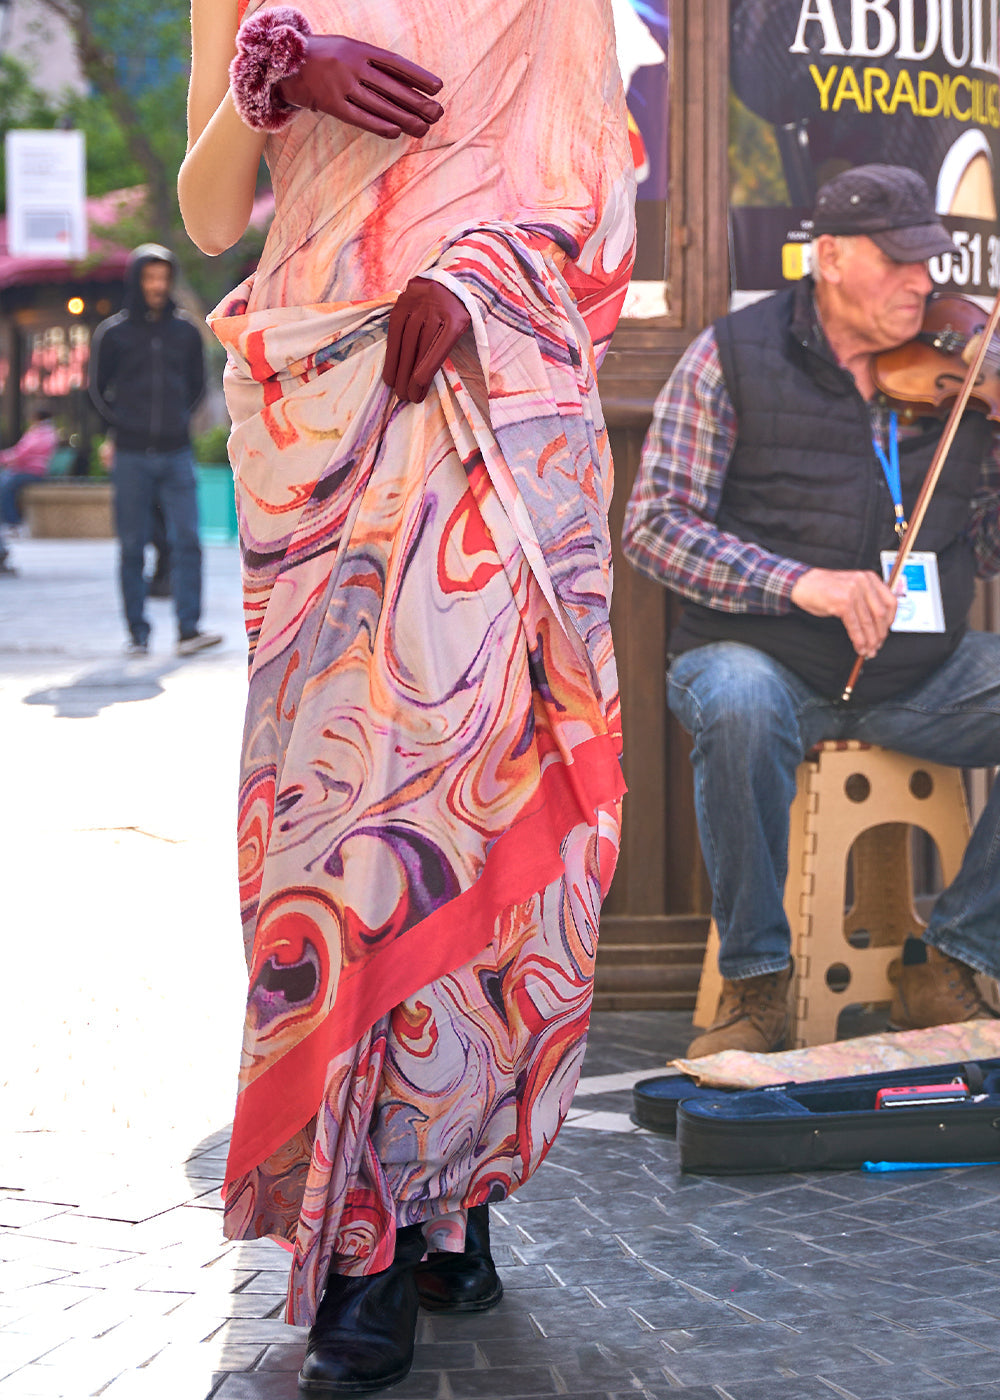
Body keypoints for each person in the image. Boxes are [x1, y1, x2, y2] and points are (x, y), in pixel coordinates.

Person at [179, 1, 634, 1393]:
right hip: (317, 397)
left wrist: (489, 272)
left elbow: (591, 180)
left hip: (493, 384)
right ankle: (365, 1227)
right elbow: (208, 216)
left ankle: (445, 1183)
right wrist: (270, 74)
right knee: (331, 811)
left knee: (473, 781)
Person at [622, 163, 1000, 1060]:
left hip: (919, 674)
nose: (923, 284)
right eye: (899, 262)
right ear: (828, 257)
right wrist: (799, 582)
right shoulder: (732, 356)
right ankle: (758, 984)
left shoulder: (964, 378)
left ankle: (951, 957)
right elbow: (653, 525)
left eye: (931, 265)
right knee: (740, 704)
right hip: (763, 656)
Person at [89, 245, 222, 657]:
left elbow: (199, 385)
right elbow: (96, 389)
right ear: (136, 280)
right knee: (132, 546)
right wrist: (119, 426)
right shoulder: (113, 333)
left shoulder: (184, 332)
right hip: (130, 454)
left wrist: (177, 420)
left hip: (176, 452)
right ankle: (138, 633)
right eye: (149, 277)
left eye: (163, 277)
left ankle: (188, 629)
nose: (157, 285)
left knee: (187, 539)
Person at [0, 407, 58, 528]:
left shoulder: (40, 434)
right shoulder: (45, 433)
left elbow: (21, 453)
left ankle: (12, 522)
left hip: (32, 472)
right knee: (4, 479)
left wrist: (4, 458)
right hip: (27, 471)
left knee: (5, 484)